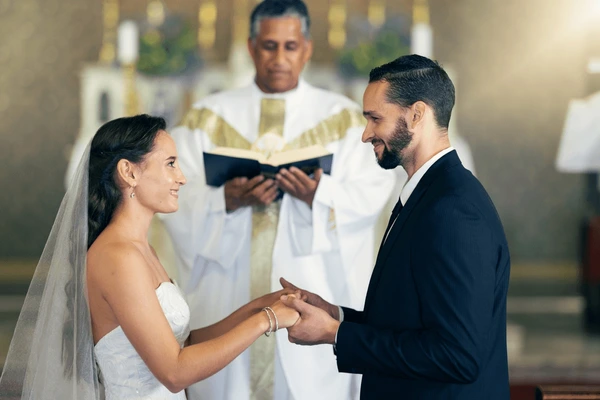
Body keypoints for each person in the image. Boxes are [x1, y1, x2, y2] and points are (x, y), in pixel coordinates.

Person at [159, 1, 395, 399]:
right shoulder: (206, 117)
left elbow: (372, 193)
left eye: (290, 46)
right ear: (251, 48)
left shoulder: (344, 118)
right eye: (269, 46)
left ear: (306, 48)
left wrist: (319, 193)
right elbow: (172, 195)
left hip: (311, 287)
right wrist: (225, 201)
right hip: (227, 298)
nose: (279, 58)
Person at [0, 114, 299, 400]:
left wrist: (261, 304)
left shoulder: (141, 250)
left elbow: (185, 344)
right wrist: (266, 321)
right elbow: (174, 372)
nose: (181, 178)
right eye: (170, 164)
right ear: (129, 172)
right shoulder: (118, 256)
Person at [280, 55, 511, 399]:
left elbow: (458, 355)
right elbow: (410, 322)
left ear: (416, 115)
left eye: (375, 118)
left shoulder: (453, 210)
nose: (365, 134)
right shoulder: (429, 194)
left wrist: (336, 335)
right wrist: (337, 315)